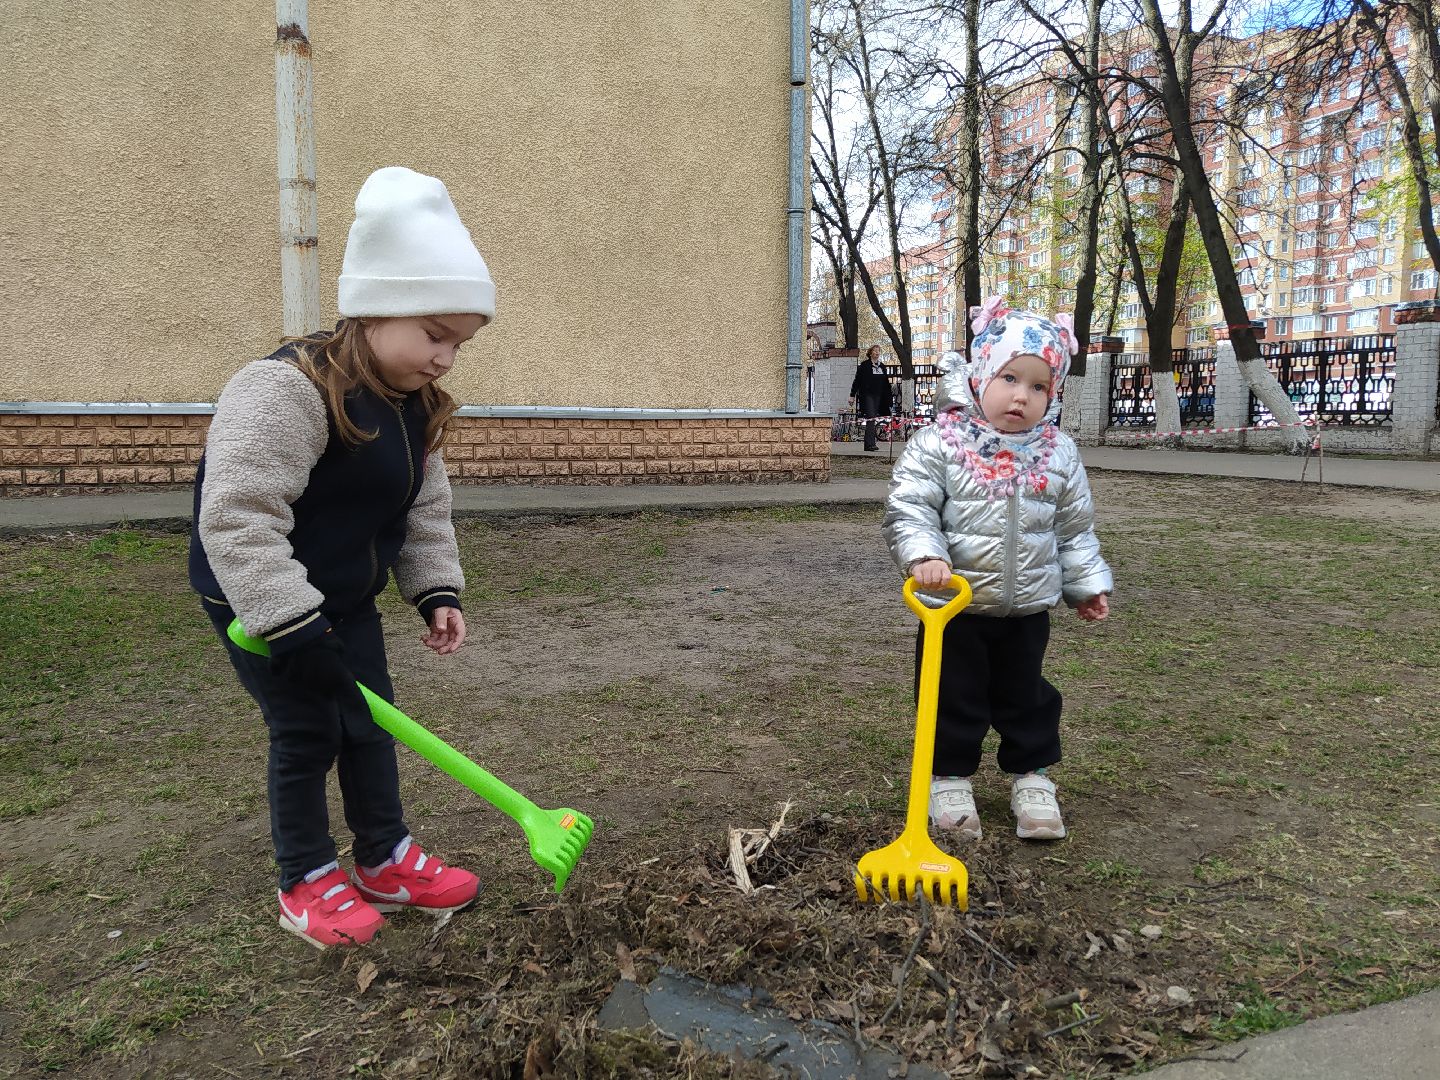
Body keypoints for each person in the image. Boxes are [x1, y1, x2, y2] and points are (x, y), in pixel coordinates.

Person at [188, 166, 495, 948]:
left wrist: (436, 590)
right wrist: (288, 622)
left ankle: (384, 858)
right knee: (308, 729)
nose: (446, 358)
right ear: (376, 307)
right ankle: (306, 879)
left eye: (459, 343)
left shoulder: (413, 406)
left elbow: (422, 506)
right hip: (260, 603)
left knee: (367, 722)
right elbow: (237, 514)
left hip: (344, 599)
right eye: (436, 335)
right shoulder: (286, 390)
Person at [882, 296, 1112, 841]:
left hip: (1027, 605)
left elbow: (1074, 529)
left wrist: (1085, 585)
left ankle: (1032, 778)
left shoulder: (1059, 453)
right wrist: (926, 555)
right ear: (982, 374)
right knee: (950, 696)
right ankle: (948, 780)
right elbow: (910, 508)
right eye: (1010, 378)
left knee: (1026, 695)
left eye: (1039, 386)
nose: (1021, 396)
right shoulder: (940, 444)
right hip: (953, 607)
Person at [850, 345, 894, 451]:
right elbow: (857, 381)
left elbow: (886, 384)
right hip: (868, 395)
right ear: (870, 353)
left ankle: (869, 443)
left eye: (878, 351)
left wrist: (889, 399)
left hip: (879, 396)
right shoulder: (864, 365)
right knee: (871, 417)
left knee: (873, 418)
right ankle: (870, 444)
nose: (877, 353)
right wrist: (852, 395)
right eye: (875, 351)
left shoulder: (882, 367)